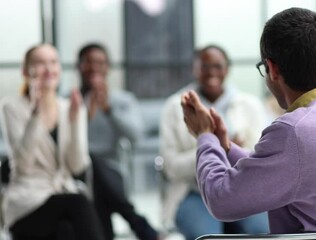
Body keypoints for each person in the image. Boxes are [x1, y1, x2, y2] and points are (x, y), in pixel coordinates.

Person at [181, 8, 316, 240]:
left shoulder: (294, 130)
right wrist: (225, 147)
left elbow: (220, 200)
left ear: (272, 69)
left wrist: (205, 136)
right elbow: (286, 170)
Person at [159, 45, 269, 240]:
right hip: (194, 193)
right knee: (207, 236)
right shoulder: (175, 106)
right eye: (204, 66)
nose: (211, 72)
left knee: (262, 232)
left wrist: (223, 147)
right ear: (194, 69)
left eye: (218, 66)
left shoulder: (250, 105)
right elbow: (171, 167)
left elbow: (260, 159)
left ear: (227, 69)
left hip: (242, 190)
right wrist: (212, 146)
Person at [0, 43, 104, 240]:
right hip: (27, 203)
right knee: (79, 203)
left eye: (53, 62)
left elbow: (77, 166)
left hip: (61, 199)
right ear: (25, 71)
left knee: (66, 230)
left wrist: (74, 123)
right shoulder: (11, 107)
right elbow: (22, 165)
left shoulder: (71, 107)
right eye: (40, 63)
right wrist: (36, 115)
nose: (48, 69)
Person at [77, 43, 158, 240]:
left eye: (100, 62)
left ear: (108, 67)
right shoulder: (69, 101)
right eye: (89, 62)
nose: (95, 67)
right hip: (76, 171)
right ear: (79, 66)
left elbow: (136, 136)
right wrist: (84, 113)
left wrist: (109, 110)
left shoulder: (122, 100)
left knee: (96, 173)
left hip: (111, 170)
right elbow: (65, 142)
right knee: (89, 162)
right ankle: (137, 222)